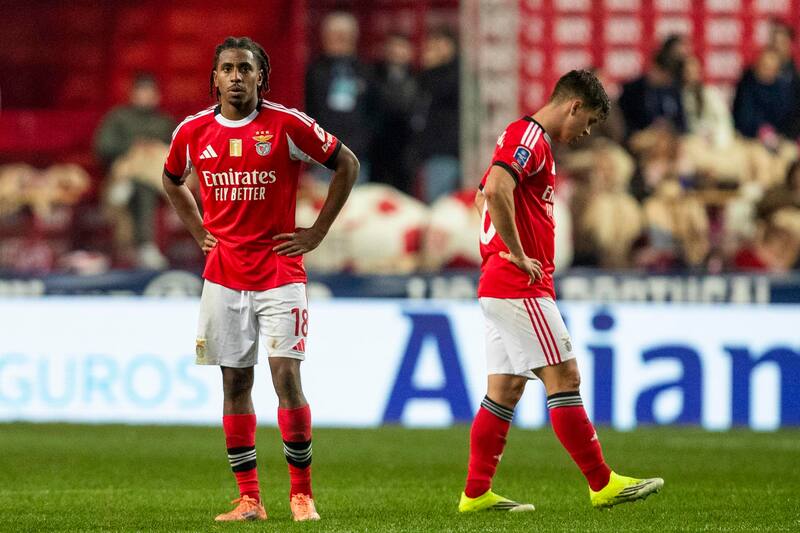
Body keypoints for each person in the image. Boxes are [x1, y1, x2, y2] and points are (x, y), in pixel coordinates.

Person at [161, 36, 359, 522]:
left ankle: (301, 495)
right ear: (214, 78)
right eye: (226, 68)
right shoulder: (192, 132)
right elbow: (170, 178)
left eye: (245, 69)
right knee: (235, 383)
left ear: (259, 77)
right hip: (223, 276)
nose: (235, 77)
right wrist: (198, 231)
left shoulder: (287, 125)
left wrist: (316, 231)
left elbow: (346, 164)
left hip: (278, 272)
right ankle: (249, 499)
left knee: (286, 377)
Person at [460, 70, 663, 513]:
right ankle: (602, 482)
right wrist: (515, 251)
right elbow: (494, 189)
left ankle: (475, 494)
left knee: (506, 388)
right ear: (573, 106)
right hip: (520, 287)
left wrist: (499, 246)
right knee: (565, 377)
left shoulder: (526, 140)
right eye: (587, 122)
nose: (584, 133)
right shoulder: (530, 136)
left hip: (500, 285)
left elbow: (482, 197)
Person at [94, 73, 175, 268]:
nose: (145, 96)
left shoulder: (164, 121)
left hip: (155, 175)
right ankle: (146, 246)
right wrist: (133, 147)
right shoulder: (118, 117)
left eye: (150, 92)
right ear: (132, 94)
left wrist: (152, 147)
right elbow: (103, 147)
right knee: (141, 180)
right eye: (141, 91)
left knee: (146, 182)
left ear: (157, 96)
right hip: (125, 168)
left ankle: (125, 188)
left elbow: (177, 151)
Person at [304, 11, 373, 181]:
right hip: (322, 154)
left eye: (344, 35)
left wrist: (363, 142)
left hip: (356, 155)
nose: (339, 40)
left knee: (354, 204)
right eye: (335, 35)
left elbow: (374, 112)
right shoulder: (314, 72)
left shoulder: (365, 71)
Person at [410, 26, 461, 203]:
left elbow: (443, 90)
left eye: (441, 44)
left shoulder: (457, 74)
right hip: (429, 152)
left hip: (446, 151)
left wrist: (431, 69)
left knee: (441, 205)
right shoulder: (425, 76)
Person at [370, 32, 418, 194]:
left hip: (406, 149)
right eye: (394, 47)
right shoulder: (374, 75)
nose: (398, 52)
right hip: (379, 148)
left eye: (402, 48)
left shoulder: (418, 78)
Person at [618, 35, 688, 138]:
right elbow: (624, 122)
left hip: (669, 138)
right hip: (641, 137)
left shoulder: (673, 90)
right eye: (661, 74)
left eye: (667, 77)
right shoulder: (632, 89)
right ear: (653, 67)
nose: (664, 80)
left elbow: (682, 123)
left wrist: (670, 128)